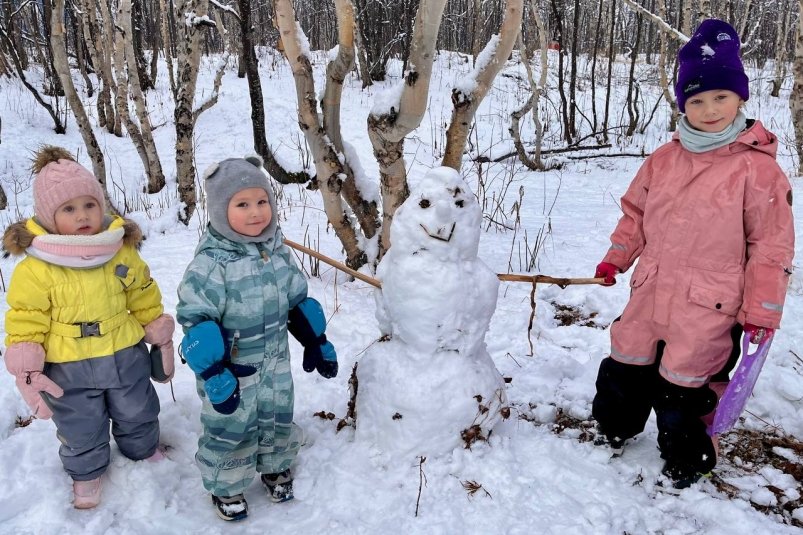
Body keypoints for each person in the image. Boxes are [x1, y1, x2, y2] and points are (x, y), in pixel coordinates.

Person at [591, 19, 795, 490]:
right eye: (697, 100)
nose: (709, 109)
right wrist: (616, 258)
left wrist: (762, 311)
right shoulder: (663, 158)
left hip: (711, 303)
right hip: (651, 290)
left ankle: (688, 458)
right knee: (626, 361)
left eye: (720, 98)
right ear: (683, 103)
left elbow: (771, 247)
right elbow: (635, 214)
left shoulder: (757, 172)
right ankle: (614, 428)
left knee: (687, 383)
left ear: (740, 98)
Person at [3, 146, 175, 509]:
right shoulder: (36, 268)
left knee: (138, 408)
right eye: (68, 209)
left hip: (124, 354)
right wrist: (26, 357)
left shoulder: (119, 251)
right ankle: (86, 472)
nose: (82, 216)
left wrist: (154, 325)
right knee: (80, 424)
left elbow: (142, 291)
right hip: (69, 367)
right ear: (49, 218)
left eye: (89, 205)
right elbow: (26, 315)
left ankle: (142, 449)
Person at [176, 156, 337, 521]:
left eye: (262, 201)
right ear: (220, 210)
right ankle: (227, 483)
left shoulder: (277, 251)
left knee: (277, 415)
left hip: (274, 364)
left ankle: (274, 464)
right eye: (242, 204)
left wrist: (316, 342)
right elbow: (196, 319)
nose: (256, 213)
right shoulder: (212, 264)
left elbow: (297, 300)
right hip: (231, 369)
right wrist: (215, 371)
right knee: (230, 426)